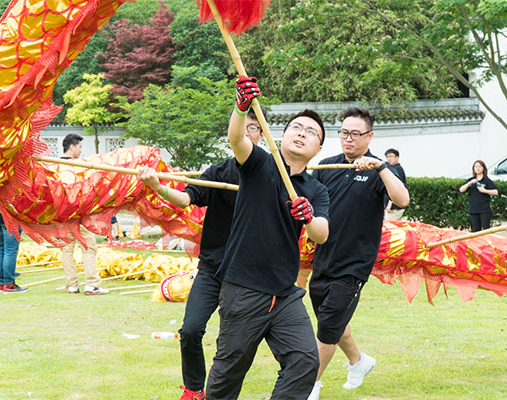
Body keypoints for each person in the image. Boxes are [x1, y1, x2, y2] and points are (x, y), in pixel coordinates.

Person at [206, 77, 330, 400]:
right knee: (228, 371)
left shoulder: (316, 190)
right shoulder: (260, 164)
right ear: (283, 135)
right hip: (243, 288)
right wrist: (241, 106)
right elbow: (236, 139)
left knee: (305, 361)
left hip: (284, 294)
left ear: (318, 149)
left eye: (312, 132)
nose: (303, 133)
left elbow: (322, 233)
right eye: (297, 128)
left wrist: (309, 217)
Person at [137, 107, 265, 400]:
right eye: (241, 126)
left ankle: (222, 392)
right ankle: (194, 389)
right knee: (191, 329)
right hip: (212, 269)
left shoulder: (271, 174)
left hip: (248, 276)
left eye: (253, 128)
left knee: (233, 342)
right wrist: (157, 186)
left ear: (262, 134)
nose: (246, 133)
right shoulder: (218, 172)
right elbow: (185, 198)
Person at [307, 107, 409, 400]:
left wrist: (379, 167)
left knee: (328, 325)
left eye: (355, 134)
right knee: (333, 321)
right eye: (344, 133)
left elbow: (402, 200)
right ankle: (359, 361)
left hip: (354, 264)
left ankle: (310, 385)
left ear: (369, 136)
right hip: (324, 257)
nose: (348, 139)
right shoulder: (327, 166)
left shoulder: (380, 170)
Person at [60, 134, 108, 295]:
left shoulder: (55, 166)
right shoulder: (79, 165)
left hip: (62, 213)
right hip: (78, 213)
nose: (81, 150)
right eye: (79, 146)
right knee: (89, 247)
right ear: (71, 147)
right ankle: (91, 284)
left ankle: (72, 284)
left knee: (67, 249)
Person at [0, 201, 28, 293]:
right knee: (10, 250)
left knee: (1, 248)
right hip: (9, 217)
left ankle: (0, 284)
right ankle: (9, 284)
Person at [458, 160, 498, 232]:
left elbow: (495, 192)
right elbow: (461, 189)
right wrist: (469, 183)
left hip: (484, 209)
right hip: (473, 209)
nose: (478, 168)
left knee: (486, 230)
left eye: (480, 166)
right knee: (475, 230)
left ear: (483, 168)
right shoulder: (471, 180)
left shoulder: (487, 180)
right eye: (476, 166)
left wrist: (485, 191)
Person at [384, 148, 407, 221]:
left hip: (394, 208)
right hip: (391, 207)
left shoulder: (397, 169)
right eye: (387, 157)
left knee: (389, 227)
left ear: (397, 157)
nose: (389, 159)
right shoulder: (391, 168)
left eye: (391, 156)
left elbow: (396, 189)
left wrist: (389, 205)